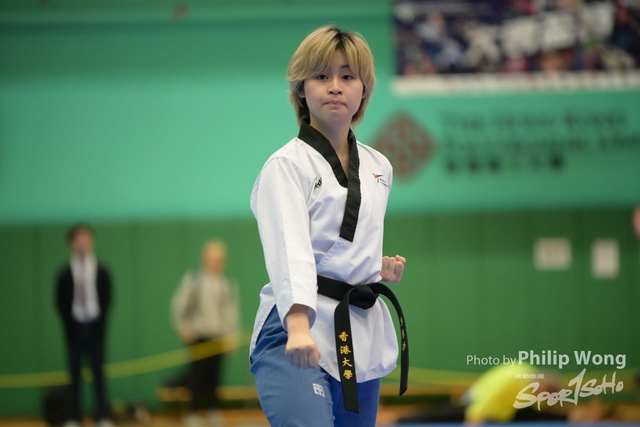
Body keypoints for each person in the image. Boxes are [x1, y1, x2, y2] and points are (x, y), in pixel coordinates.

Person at [248, 26, 409, 427]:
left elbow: (344, 238)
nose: (335, 86)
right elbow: (291, 250)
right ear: (301, 89)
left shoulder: (379, 166)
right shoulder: (287, 166)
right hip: (295, 326)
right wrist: (297, 325)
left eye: (347, 76)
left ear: (364, 90)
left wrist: (373, 266)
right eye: (321, 76)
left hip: (358, 331)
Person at [171, 240, 240, 427]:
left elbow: (230, 312)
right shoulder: (194, 280)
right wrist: (183, 327)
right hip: (198, 336)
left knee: (214, 376)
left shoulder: (226, 284)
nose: (214, 263)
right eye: (211, 259)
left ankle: (212, 409)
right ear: (205, 259)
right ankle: (193, 411)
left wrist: (230, 337)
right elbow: (179, 305)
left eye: (218, 260)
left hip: (218, 336)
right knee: (197, 375)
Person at [55, 224, 114, 427]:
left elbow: (107, 298)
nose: (82, 243)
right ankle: (73, 416)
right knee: (74, 375)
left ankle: (103, 416)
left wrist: (99, 323)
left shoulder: (101, 271)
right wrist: (71, 324)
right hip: (74, 330)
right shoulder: (64, 273)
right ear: (71, 243)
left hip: (96, 329)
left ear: (91, 241)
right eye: (78, 239)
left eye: (85, 238)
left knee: (99, 373)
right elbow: (60, 302)